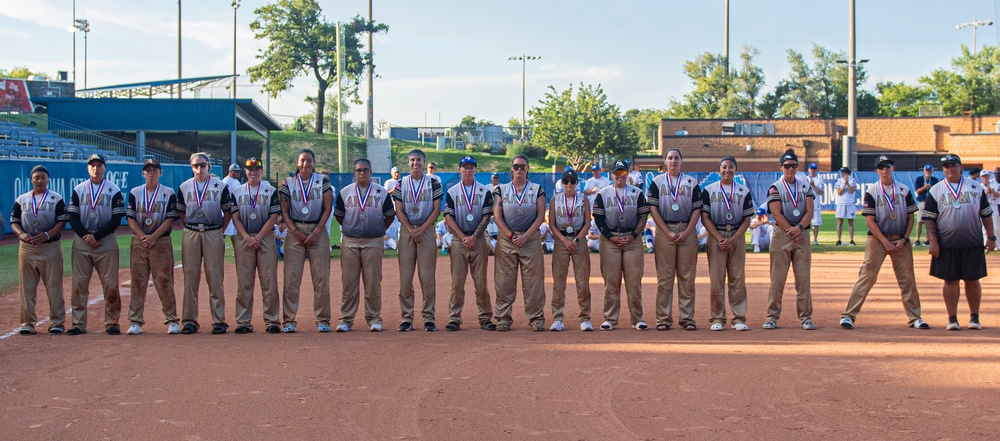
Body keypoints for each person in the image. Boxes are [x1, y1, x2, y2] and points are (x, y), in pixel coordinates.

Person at [840, 155, 928, 330]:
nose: (885, 169)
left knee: (907, 278)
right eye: (881, 167)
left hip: (900, 239)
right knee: (867, 276)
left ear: (893, 167)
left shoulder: (904, 190)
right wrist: (884, 242)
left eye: (887, 165)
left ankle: (915, 317)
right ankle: (849, 315)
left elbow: (911, 217)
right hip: (877, 239)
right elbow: (869, 221)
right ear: (876, 171)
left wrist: (904, 239)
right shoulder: (872, 191)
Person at [922, 154, 995, 330]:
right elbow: (929, 219)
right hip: (946, 244)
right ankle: (952, 318)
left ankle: (974, 317)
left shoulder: (975, 187)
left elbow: (986, 214)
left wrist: (991, 238)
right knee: (950, 280)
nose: (949, 169)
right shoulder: (936, 190)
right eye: (945, 166)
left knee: (973, 280)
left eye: (953, 165)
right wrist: (933, 241)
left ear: (961, 167)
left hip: (973, 242)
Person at [66, 153, 126, 335]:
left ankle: (112, 322)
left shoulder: (113, 189)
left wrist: (97, 236)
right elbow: (73, 217)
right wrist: (86, 236)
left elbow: (117, 219)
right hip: (82, 240)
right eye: (92, 165)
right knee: (79, 284)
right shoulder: (79, 189)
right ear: (88, 168)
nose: (96, 168)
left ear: (104, 168)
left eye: (99, 165)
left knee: (111, 284)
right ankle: (78, 323)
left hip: (105, 239)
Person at [334, 158, 396, 332]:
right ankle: (346, 319)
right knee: (349, 283)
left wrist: (379, 229)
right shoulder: (345, 192)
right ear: (354, 173)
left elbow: (389, 216)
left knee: (373, 282)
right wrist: (350, 227)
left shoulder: (381, 192)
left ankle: (374, 318)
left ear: (371, 172)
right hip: (350, 241)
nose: (362, 173)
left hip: (374, 241)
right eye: (359, 170)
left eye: (365, 170)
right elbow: (339, 216)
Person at [176, 152, 232, 334]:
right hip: (191, 232)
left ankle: (219, 320)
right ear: (191, 167)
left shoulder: (220, 186)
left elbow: (228, 212)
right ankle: (190, 321)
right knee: (190, 277)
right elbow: (181, 214)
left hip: (213, 231)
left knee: (215, 277)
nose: (199, 169)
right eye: (195, 166)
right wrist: (190, 228)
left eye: (202, 165)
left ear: (209, 166)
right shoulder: (184, 187)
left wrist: (219, 231)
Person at [280, 148, 334, 333]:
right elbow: (284, 211)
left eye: (309, 160)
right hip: (295, 232)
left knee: (321, 279)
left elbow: (327, 208)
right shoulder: (288, 183)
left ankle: (323, 319)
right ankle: (288, 321)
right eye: (303, 160)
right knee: (291, 279)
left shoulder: (322, 181)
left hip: (317, 231)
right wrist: (294, 231)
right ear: (297, 163)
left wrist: (317, 231)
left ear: (313, 163)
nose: (306, 164)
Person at [647, 148, 701, 331]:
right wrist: (666, 231)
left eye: (677, 158)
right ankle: (663, 318)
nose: (673, 161)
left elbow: (697, 209)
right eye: (670, 158)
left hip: (687, 228)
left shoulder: (691, 182)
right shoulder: (656, 182)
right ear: (664, 161)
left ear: (681, 161)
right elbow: (653, 209)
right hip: (665, 229)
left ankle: (687, 318)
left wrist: (688, 231)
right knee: (665, 277)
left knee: (687, 277)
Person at [11, 165, 69, 335]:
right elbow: (14, 221)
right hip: (27, 248)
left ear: (48, 179)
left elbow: (62, 222)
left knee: (54, 286)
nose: (40, 180)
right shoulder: (22, 199)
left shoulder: (55, 198)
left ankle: (57, 321)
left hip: (50, 247)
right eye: (37, 177)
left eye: (43, 177)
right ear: (31, 179)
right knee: (27, 287)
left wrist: (48, 235)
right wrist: (21, 234)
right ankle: (27, 323)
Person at [124, 159, 180, 335]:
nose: (151, 173)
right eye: (148, 170)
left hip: (161, 241)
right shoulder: (135, 192)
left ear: (160, 173)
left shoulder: (168, 192)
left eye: (154, 170)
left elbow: (171, 218)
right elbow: (130, 218)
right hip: (139, 241)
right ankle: (135, 321)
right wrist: (143, 236)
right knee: (138, 281)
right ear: (143, 173)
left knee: (164, 280)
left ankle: (171, 320)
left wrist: (154, 237)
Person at [593, 160, 650, 331]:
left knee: (633, 281)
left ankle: (637, 318)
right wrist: (610, 237)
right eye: (617, 173)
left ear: (628, 174)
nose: (620, 176)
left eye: (623, 173)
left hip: (632, 239)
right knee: (611, 281)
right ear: (612, 175)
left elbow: (643, 217)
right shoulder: (603, 194)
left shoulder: (637, 193)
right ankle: (610, 318)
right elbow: (598, 218)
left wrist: (633, 235)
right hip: (610, 239)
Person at [493, 154, 547, 331]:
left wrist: (526, 236)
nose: (519, 170)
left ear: (528, 168)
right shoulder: (502, 189)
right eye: (516, 166)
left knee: (533, 281)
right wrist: (510, 235)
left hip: (530, 238)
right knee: (504, 280)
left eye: (522, 167)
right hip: (507, 239)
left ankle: (536, 317)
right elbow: (497, 215)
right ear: (511, 169)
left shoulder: (536, 189)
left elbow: (540, 216)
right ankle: (503, 318)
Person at [764, 149, 816, 330]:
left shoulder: (805, 187)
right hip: (782, 234)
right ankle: (771, 316)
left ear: (797, 167)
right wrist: (792, 230)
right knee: (777, 278)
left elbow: (810, 211)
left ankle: (805, 317)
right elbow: (776, 214)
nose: (790, 169)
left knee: (803, 279)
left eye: (794, 165)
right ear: (781, 167)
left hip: (801, 232)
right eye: (787, 166)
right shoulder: (775, 187)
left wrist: (800, 228)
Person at [701, 156, 754, 331]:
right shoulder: (709, 190)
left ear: (735, 170)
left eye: (731, 167)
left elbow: (747, 220)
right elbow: (705, 218)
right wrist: (718, 238)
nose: (727, 170)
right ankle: (717, 318)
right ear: (719, 170)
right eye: (724, 167)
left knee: (737, 279)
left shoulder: (743, 191)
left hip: (736, 235)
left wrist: (733, 239)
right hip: (716, 235)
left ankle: (739, 318)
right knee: (716, 279)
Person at [442, 155, 495, 331]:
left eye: (471, 167)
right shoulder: (452, 191)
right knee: (457, 282)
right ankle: (454, 318)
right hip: (459, 240)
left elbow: (487, 216)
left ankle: (485, 317)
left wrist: (474, 236)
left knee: (481, 282)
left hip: (478, 239)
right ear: (459, 170)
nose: (468, 170)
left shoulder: (484, 190)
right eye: (465, 167)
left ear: (475, 170)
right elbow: (448, 217)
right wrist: (462, 236)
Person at [229, 157, 281, 334]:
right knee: (245, 281)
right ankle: (243, 321)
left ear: (261, 171)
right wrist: (246, 237)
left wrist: (258, 237)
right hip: (244, 238)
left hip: (264, 237)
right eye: (250, 170)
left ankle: (272, 320)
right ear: (245, 171)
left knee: (269, 281)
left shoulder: (270, 190)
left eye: (257, 169)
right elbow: (235, 218)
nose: (253, 173)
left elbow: (273, 217)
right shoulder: (236, 192)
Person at [393, 149, 443, 331]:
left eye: (419, 160)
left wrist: (421, 229)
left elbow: (437, 210)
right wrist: (410, 230)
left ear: (424, 162)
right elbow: (399, 210)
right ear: (408, 163)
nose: (416, 163)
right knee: (406, 277)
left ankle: (429, 317)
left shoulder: (433, 183)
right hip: (407, 230)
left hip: (427, 230)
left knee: (427, 276)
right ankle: (407, 318)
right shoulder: (401, 184)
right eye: (412, 160)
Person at [548, 168, 593, 331]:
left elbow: (587, 223)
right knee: (559, 281)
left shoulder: (583, 200)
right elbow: (552, 223)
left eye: (572, 181)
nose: (569, 184)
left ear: (576, 183)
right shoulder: (555, 200)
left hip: (578, 240)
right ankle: (558, 318)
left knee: (582, 281)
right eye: (566, 181)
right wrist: (564, 240)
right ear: (561, 183)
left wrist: (577, 239)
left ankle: (585, 318)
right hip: (561, 241)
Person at [913, 164, 938, 246]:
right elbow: (917, 191)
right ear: (924, 171)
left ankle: (927, 239)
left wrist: (930, 187)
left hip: (931, 202)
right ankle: (917, 239)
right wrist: (925, 187)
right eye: (926, 170)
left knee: (929, 220)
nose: (928, 172)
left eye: (929, 170)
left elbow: (936, 191)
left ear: (932, 171)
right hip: (922, 201)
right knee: (920, 221)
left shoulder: (934, 180)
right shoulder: (919, 179)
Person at [835, 167, 858, 246]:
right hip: (841, 203)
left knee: (850, 222)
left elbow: (851, 191)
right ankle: (838, 240)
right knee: (840, 222)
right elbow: (839, 192)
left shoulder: (853, 180)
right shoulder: (839, 181)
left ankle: (851, 240)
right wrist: (844, 184)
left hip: (850, 203)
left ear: (846, 173)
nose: (841, 174)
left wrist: (847, 183)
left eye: (842, 172)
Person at [222, 163, 242, 238]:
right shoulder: (226, 181)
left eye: (239, 171)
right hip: (228, 209)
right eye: (236, 171)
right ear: (231, 171)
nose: (238, 173)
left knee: (235, 233)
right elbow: (226, 196)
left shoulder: (236, 181)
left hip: (235, 208)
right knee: (224, 230)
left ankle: (236, 250)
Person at [807, 163, 825, 245]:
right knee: (805, 222)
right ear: (808, 169)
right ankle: (806, 239)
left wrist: (813, 186)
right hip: (806, 204)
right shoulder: (805, 179)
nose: (812, 170)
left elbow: (821, 192)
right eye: (811, 169)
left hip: (815, 203)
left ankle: (815, 239)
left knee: (816, 223)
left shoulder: (819, 180)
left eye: (814, 169)